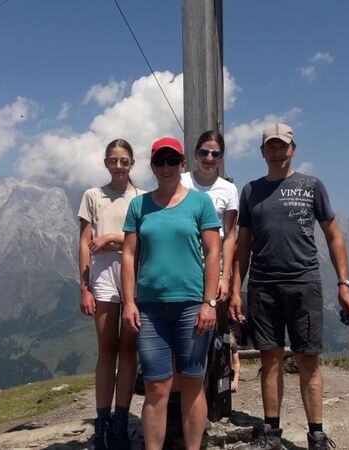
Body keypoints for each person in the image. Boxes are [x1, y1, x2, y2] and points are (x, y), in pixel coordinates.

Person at [230, 124, 349, 450]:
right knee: (269, 361)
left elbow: (334, 235)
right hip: (263, 286)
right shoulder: (250, 191)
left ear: (293, 149)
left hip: (305, 284)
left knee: (307, 361)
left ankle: (316, 435)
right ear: (262, 153)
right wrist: (235, 290)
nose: (276, 152)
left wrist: (344, 283)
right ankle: (271, 434)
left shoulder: (312, 186)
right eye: (270, 147)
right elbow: (242, 245)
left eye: (282, 146)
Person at [121, 137, 221, 450]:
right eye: (159, 161)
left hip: (193, 306)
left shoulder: (200, 203)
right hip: (150, 309)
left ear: (183, 164)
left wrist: (210, 302)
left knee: (192, 383)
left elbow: (213, 252)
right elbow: (128, 255)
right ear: (151, 165)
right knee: (156, 387)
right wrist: (128, 302)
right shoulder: (139, 205)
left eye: (172, 161)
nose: (166, 167)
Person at [78, 139, 144, 450]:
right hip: (103, 270)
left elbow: (144, 237)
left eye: (124, 161)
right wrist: (85, 286)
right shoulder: (93, 195)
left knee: (129, 348)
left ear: (133, 163)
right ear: (106, 162)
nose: (119, 166)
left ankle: (121, 420)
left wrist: (112, 237)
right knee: (107, 348)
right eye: (113, 160)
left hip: (133, 268)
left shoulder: (142, 198)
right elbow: (83, 240)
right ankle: (102, 421)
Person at [180, 130, 239, 301]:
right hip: (183, 261)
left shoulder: (229, 189)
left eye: (215, 154)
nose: (209, 158)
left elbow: (229, 235)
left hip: (213, 264)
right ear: (195, 154)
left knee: (207, 319)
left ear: (221, 158)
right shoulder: (181, 181)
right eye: (204, 152)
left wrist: (224, 277)